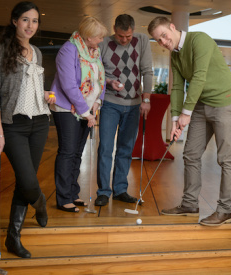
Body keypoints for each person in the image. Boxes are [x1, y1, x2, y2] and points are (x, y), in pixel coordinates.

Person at [148, 17, 231, 226]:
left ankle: (224, 210)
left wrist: (186, 113)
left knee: (226, 158)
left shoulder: (200, 40)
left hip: (224, 104)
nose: (163, 42)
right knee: (191, 154)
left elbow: (199, 76)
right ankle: (190, 204)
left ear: (173, 27)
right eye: (158, 40)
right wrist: (175, 119)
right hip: (201, 104)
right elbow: (177, 87)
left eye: (164, 35)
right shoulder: (175, 56)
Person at [0, 1, 56, 258]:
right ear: (15, 20)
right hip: (12, 125)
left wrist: (48, 95)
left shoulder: (36, 52)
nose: (30, 25)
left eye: (35, 21)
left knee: (23, 183)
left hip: (40, 122)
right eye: (26, 19)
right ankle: (40, 203)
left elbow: (36, 87)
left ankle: (12, 238)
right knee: (28, 180)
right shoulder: (0, 50)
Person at [95, 14, 153, 206]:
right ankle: (103, 191)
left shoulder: (142, 40)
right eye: (121, 36)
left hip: (134, 104)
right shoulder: (104, 43)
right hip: (110, 104)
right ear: (114, 29)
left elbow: (147, 70)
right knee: (105, 148)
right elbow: (97, 74)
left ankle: (120, 190)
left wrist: (146, 98)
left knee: (126, 149)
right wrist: (110, 82)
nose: (125, 40)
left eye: (128, 36)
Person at [50, 17, 107, 212]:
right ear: (89, 37)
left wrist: (98, 101)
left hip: (88, 110)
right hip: (68, 109)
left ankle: (73, 194)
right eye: (99, 37)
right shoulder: (69, 49)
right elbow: (68, 85)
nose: (101, 40)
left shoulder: (94, 51)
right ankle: (64, 197)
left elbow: (101, 78)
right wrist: (85, 112)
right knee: (67, 152)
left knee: (76, 153)